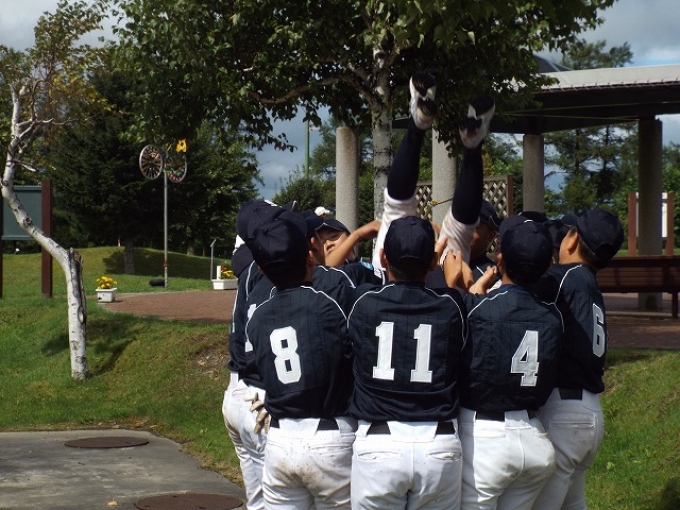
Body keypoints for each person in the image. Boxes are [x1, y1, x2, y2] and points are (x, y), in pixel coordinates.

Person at [347, 216, 467, 509]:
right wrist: (449, 280)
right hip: (438, 442)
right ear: (433, 262)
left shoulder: (363, 301)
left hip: (379, 442)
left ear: (383, 257)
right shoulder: (452, 304)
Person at [445, 215, 564, 510]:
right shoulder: (553, 316)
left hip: (485, 439)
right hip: (533, 434)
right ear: (548, 266)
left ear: (499, 259)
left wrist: (456, 287)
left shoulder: (476, 307)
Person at [246, 211, 356, 509]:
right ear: (310, 256)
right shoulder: (330, 303)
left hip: (280, 441)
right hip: (330, 436)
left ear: (262, 270)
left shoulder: (258, 318)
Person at [531, 208, 624, 510]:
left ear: (571, 239)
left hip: (565, 413)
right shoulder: (589, 283)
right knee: (573, 504)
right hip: (589, 412)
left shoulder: (564, 277)